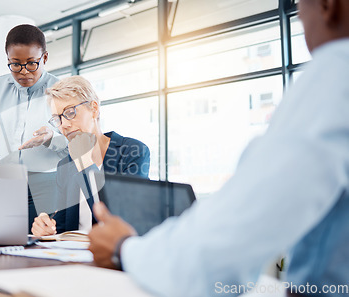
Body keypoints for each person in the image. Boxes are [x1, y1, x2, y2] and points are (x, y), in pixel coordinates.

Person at [88, 0, 349, 296]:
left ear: (328, 5)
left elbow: (211, 263)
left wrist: (124, 247)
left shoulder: (336, 75)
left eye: (300, 7)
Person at [0, 24, 68, 230]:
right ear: (8, 60)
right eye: (15, 64)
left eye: (32, 63)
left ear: (45, 58)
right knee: (1, 239)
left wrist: (51, 139)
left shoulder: (61, 91)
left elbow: (78, 143)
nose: (24, 72)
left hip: (48, 185)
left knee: (41, 245)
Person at [31, 76, 150, 236]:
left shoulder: (133, 152)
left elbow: (124, 219)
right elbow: (63, 224)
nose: (64, 125)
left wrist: (85, 162)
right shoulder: (65, 165)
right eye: (57, 118)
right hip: (73, 255)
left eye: (70, 112)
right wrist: (48, 227)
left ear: (94, 109)